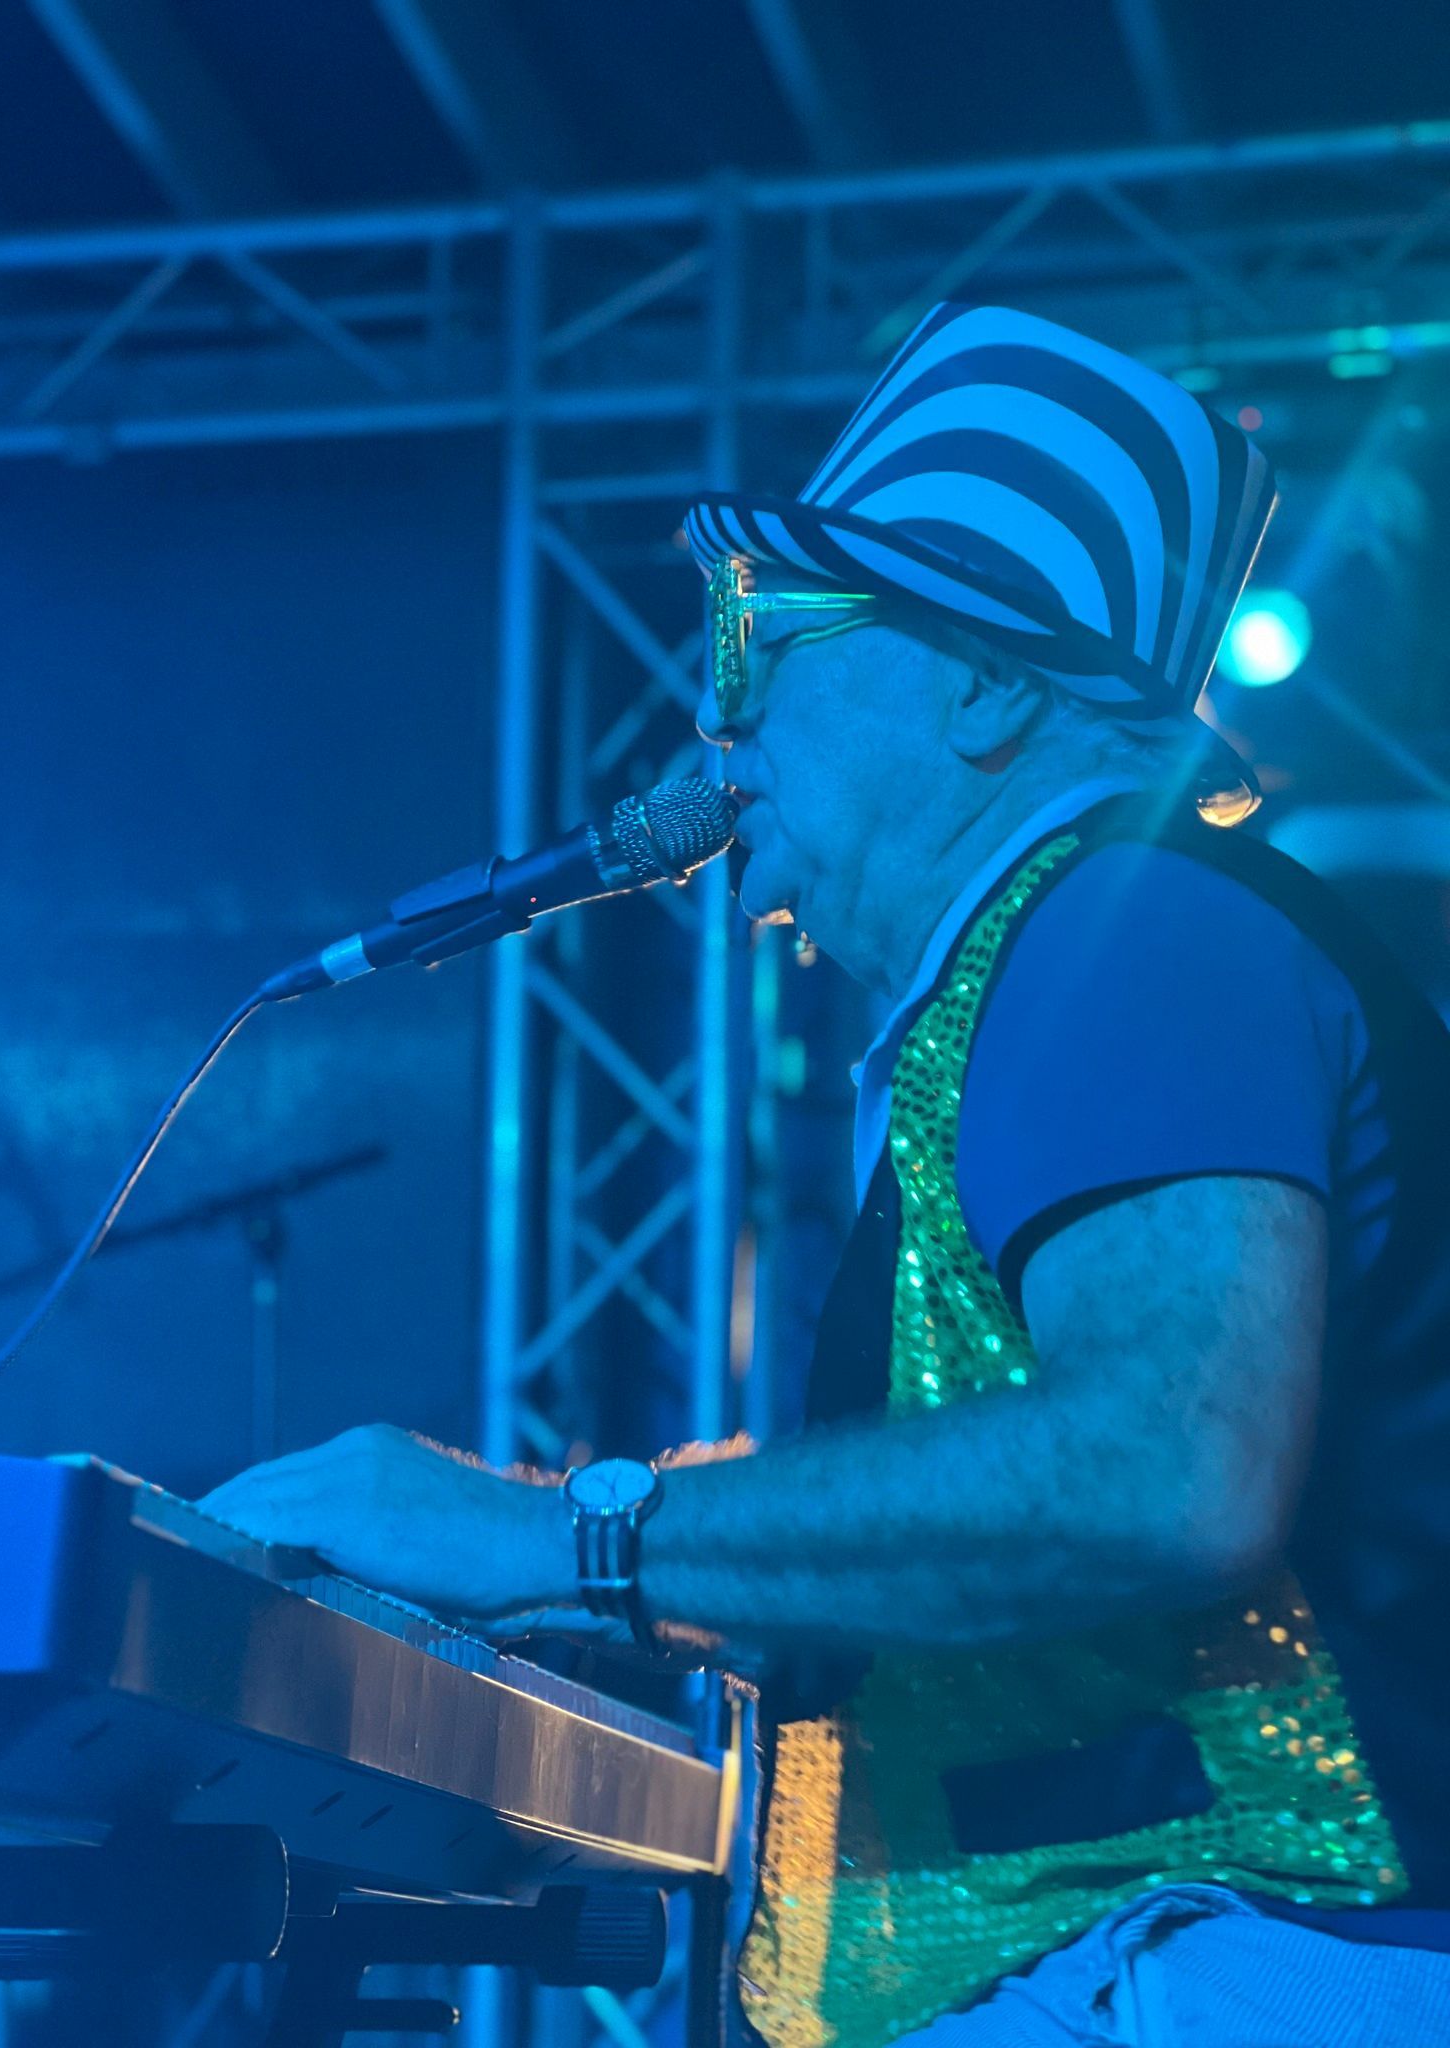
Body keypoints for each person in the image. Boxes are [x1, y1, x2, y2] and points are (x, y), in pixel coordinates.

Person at [204, 303, 1450, 2044]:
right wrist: (598, 1582)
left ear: (991, 684)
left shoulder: (1131, 929)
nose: (717, 731)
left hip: (1233, 1968)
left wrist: (541, 1533)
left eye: (761, 643)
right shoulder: (1067, 963)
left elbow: (1170, 1471)